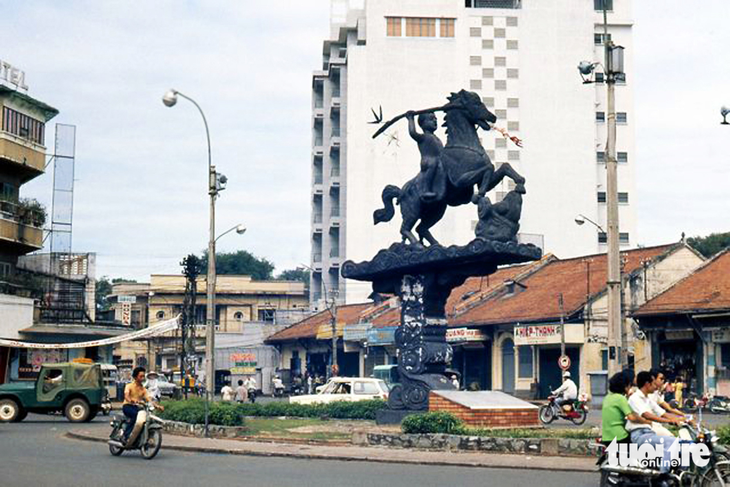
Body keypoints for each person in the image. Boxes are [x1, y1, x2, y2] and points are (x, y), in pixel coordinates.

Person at [626, 371, 684, 474]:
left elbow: (662, 412)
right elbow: (647, 415)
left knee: (682, 446)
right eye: (653, 384)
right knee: (672, 442)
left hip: (649, 433)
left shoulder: (648, 399)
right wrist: (669, 421)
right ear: (647, 384)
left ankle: (680, 474)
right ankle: (663, 475)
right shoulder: (634, 398)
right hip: (639, 435)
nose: (656, 386)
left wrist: (681, 419)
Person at [602, 371, 651, 446]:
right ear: (625, 386)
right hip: (619, 436)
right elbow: (632, 417)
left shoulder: (607, 398)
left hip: (606, 437)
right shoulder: (620, 398)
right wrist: (645, 421)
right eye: (629, 385)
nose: (630, 388)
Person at [406, 110, 443, 202]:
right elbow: (412, 133)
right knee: (433, 163)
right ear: (423, 123)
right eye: (431, 119)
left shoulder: (437, 138)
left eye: (435, 119)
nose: (435, 121)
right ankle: (426, 189)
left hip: (439, 160)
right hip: (428, 161)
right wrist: (411, 119)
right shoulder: (423, 137)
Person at [122, 367, 164, 445]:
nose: (142, 378)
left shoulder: (143, 389)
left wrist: (158, 406)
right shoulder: (129, 386)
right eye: (140, 376)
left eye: (143, 376)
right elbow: (126, 396)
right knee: (135, 416)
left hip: (138, 408)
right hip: (128, 406)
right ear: (135, 377)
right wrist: (131, 400)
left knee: (145, 419)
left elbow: (149, 400)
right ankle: (126, 436)